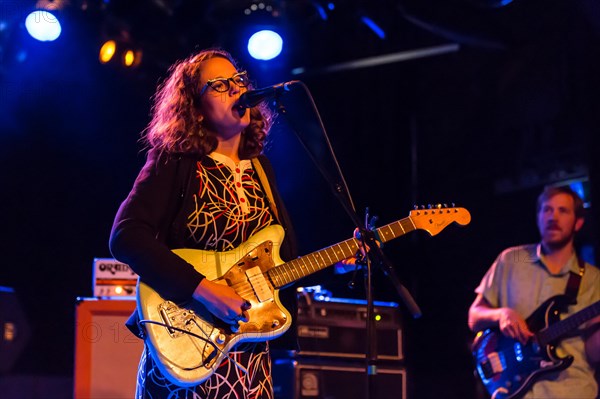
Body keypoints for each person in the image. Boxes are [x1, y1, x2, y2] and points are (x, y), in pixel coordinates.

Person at [109, 48, 300, 399]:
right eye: (218, 85)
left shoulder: (261, 169)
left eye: (238, 81)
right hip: (187, 350)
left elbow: (282, 263)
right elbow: (126, 236)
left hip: (250, 362)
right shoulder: (176, 162)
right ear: (194, 108)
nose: (235, 89)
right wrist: (204, 290)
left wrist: (343, 260)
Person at [468, 186, 600, 399]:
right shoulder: (513, 259)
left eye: (563, 211)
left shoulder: (594, 279)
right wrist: (501, 314)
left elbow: (593, 353)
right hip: (513, 391)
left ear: (579, 222)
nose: (553, 216)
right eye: (547, 210)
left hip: (571, 391)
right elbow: (474, 318)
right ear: (537, 217)